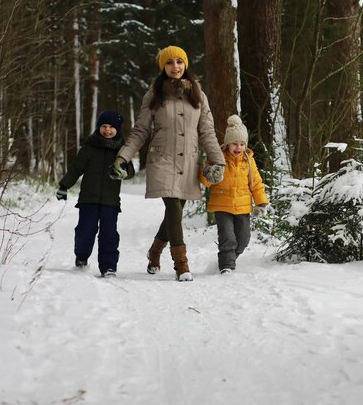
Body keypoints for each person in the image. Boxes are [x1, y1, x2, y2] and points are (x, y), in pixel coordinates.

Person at [110, 45, 225, 282]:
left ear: (186, 65)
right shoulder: (154, 94)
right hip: (162, 159)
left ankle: (155, 251)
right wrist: (123, 156)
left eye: (179, 62)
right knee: (173, 207)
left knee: (175, 213)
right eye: (170, 62)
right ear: (163, 67)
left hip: (189, 160)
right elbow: (141, 130)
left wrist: (217, 160)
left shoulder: (198, 96)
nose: (175, 67)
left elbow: (207, 132)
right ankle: (181, 265)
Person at [56, 110, 134, 278]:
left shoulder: (122, 149)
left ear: (118, 129)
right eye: (104, 126)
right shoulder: (89, 147)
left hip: (111, 201)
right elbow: (77, 168)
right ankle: (81, 256)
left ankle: (108, 266)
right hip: (88, 199)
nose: (107, 130)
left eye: (112, 127)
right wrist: (64, 185)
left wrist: (124, 172)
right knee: (85, 232)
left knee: (109, 235)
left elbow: (131, 170)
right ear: (99, 127)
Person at [200, 114, 269, 274]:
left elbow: (256, 183)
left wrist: (261, 202)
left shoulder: (249, 161)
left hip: (243, 207)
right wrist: (209, 173)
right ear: (227, 144)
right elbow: (206, 182)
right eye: (234, 144)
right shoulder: (218, 158)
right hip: (222, 206)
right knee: (228, 238)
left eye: (242, 144)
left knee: (244, 239)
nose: (238, 148)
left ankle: (230, 258)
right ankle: (227, 265)